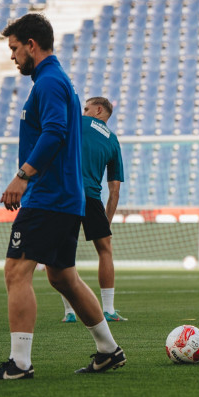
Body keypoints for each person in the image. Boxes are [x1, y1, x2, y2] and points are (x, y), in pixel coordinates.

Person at [0, 13, 124, 380]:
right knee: (62, 277)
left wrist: (23, 176)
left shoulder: (50, 82)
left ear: (31, 44)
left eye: (14, 48)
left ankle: (20, 364)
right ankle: (108, 350)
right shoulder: (54, 81)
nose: (12, 57)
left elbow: (55, 132)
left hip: (49, 197)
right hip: (65, 197)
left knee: (16, 271)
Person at [60, 96, 127, 323]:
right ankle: (108, 309)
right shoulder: (113, 140)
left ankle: (69, 312)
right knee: (104, 249)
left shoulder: (75, 122)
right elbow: (115, 189)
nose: (84, 111)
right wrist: (106, 222)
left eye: (87, 108)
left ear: (98, 110)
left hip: (65, 194)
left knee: (63, 251)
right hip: (91, 196)